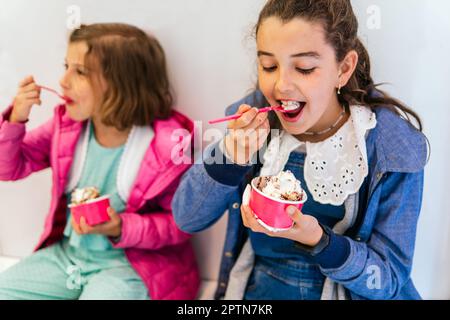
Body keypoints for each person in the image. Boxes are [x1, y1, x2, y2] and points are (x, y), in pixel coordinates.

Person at [173, 0, 428, 300]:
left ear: (343, 68)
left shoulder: (391, 149)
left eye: (304, 68)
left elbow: (388, 280)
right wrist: (230, 155)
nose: (281, 85)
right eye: (269, 66)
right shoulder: (252, 122)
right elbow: (186, 218)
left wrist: (322, 243)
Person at [0, 23, 199, 300]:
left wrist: (121, 227)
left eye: (80, 71)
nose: (63, 80)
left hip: (130, 267)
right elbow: (7, 167)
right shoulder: (66, 127)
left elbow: (181, 225)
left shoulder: (167, 145)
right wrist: (16, 118)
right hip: (68, 256)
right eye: (66, 66)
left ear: (123, 84)